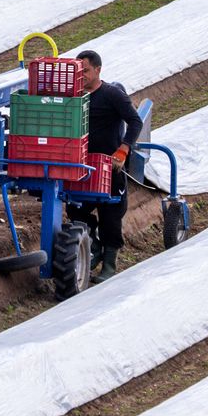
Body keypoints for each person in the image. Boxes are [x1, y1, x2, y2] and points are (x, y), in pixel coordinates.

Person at [74, 49, 142, 280]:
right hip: (83, 166)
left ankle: (109, 265)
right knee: (75, 209)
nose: (81, 75)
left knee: (111, 215)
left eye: (85, 70)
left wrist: (123, 149)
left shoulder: (112, 95)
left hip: (110, 166)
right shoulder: (75, 97)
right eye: (78, 71)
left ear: (98, 70)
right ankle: (93, 246)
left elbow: (135, 121)